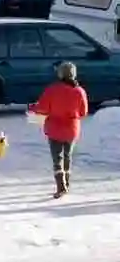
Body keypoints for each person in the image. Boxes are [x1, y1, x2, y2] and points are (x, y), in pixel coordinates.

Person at [30, 61, 89, 198]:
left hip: (55, 128)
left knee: (57, 158)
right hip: (72, 129)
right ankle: (66, 182)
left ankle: (60, 185)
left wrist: (33, 108)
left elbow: (43, 108)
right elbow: (83, 112)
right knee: (68, 156)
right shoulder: (80, 91)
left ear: (60, 74)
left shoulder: (52, 89)